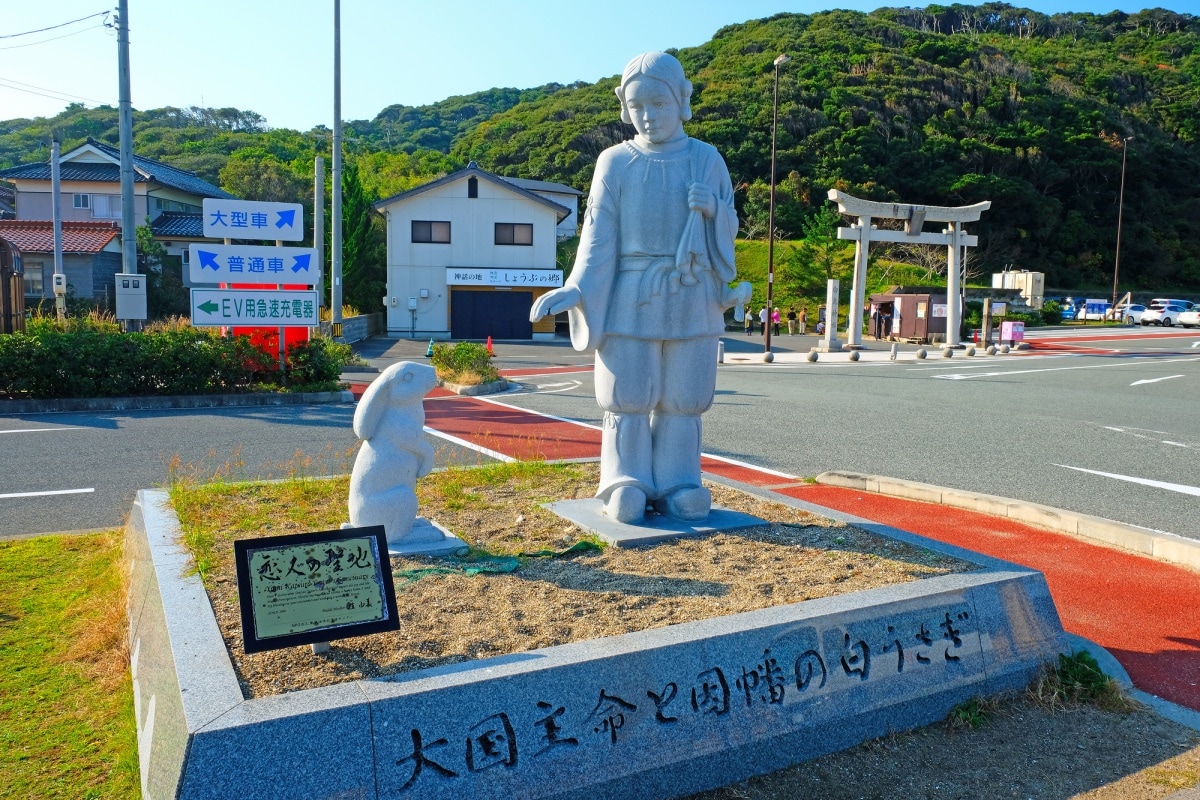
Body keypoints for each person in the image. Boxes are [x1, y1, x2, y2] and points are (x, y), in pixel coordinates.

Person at [529, 52, 747, 524]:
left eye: (658, 103)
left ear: (681, 101)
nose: (648, 115)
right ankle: (624, 479)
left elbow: (728, 230)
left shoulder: (707, 160)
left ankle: (679, 480)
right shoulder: (615, 162)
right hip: (630, 290)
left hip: (692, 290)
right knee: (626, 394)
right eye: (637, 105)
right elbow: (597, 237)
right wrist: (578, 289)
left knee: (684, 398)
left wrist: (714, 211)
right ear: (624, 108)